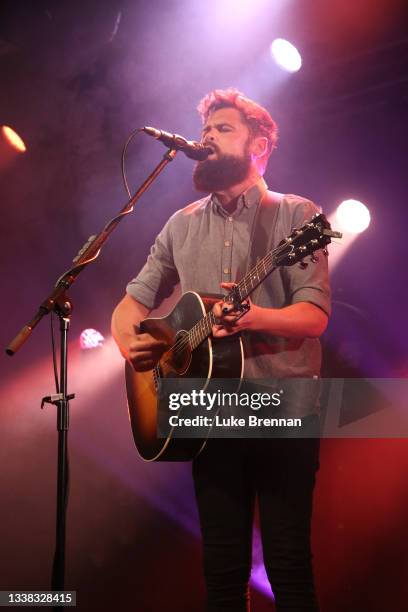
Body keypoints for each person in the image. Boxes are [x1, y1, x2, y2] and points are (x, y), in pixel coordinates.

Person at [111, 89, 330, 611]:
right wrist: (136, 351)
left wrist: (253, 317)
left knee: (288, 562)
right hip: (210, 410)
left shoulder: (297, 215)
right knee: (222, 567)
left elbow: (315, 317)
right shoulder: (181, 224)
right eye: (207, 129)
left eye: (223, 129)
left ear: (261, 146)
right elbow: (130, 304)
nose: (207, 137)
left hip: (283, 406)